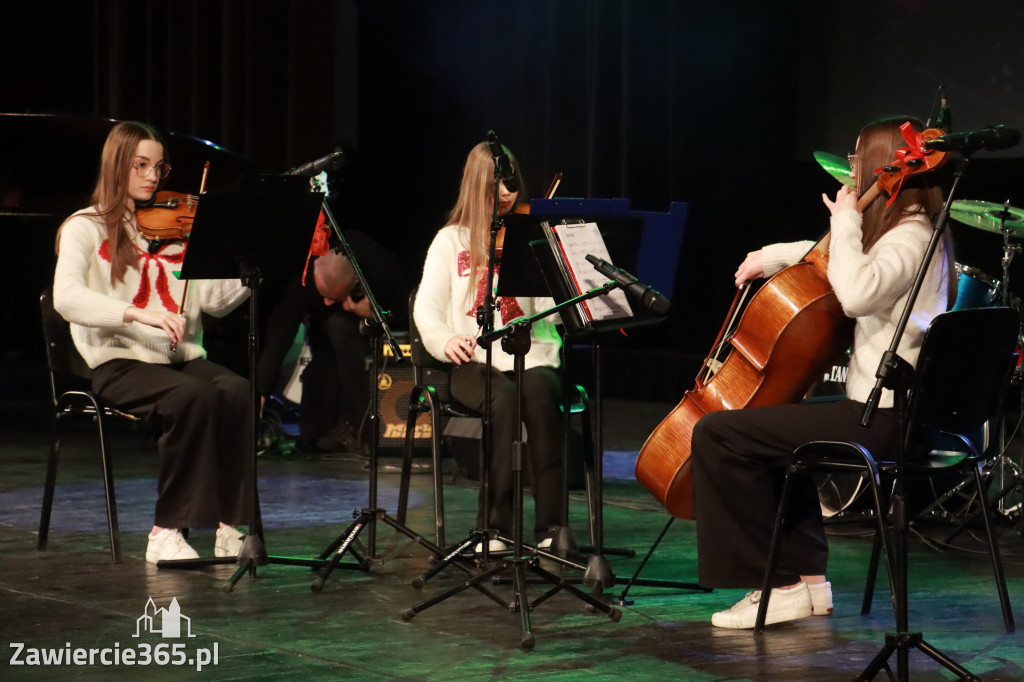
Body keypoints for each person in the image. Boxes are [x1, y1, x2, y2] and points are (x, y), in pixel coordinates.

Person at [691, 115, 955, 629]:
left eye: (858, 159)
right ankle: (808, 579)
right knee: (772, 425)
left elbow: (854, 291)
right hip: (882, 411)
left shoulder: (912, 239)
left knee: (719, 436)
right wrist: (770, 257)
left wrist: (847, 220)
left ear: (882, 168)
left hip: (885, 418)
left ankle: (775, 584)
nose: (852, 170)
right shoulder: (907, 232)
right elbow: (834, 259)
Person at [52, 121, 252, 564]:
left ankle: (228, 524)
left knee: (237, 391)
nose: (151, 176)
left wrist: (250, 271)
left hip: (178, 359)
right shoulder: (84, 227)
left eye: (158, 167)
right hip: (119, 364)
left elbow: (215, 303)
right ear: (117, 164)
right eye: (140, 165)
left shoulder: (178, 227)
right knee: (194, 397)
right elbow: (66, 297)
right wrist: (137, 312)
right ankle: (166, 531)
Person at [414, 141, 565, 551]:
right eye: (496, 184)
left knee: (538, 396)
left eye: (511, 183)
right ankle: (495, 526)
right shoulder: (450, 241)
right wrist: (446, 341)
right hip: (473, 360)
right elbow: (426, 309)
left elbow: (553, 314)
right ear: (476, 186)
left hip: (532, 355)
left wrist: (552, 277)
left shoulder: (532, 232)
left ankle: (553, 527)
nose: (506, 193)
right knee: (503, 399)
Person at [256, 229, 409, 454]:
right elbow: (281, 335)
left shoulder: (378, 268)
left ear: (355, 280)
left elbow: (407, 312)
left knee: (338, 323)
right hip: (328, 345)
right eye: (322, 295)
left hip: (371, 342)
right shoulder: (306, 276)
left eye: (333, 296)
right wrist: (259, 393)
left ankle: (358, 426)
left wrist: (374, 314)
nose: (326, 302)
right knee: (312, 431)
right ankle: (330, 431)